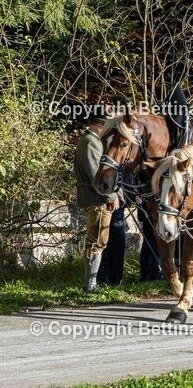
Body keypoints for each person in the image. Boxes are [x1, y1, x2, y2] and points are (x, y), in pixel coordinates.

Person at [74, 122, 125, 292]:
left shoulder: (89, 139)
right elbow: (95, 173)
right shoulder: (91, 141)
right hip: (97, 199)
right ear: (98, 124)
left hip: (97, 198)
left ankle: (91, 283)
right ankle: (91, 284)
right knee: (96, 241)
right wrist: (111, 195)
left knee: (97, 241)